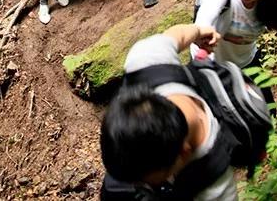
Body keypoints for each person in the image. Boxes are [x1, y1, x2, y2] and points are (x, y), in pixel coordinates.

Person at [100, 23, 237, 200]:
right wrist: (200, 31)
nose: (138, 186)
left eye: (152, 181)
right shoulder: (146, 62)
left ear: (184, 153)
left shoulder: (215, 188)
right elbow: (177, 35)